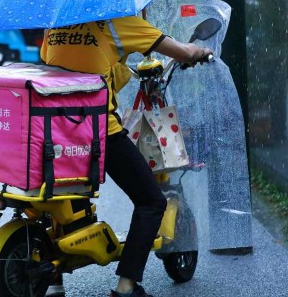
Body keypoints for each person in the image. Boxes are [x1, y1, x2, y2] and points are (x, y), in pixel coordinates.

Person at [40, 15, 212, 297]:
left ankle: (53, 278)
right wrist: (199, 52)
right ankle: (126, 285)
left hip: (54, 128)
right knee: (151, 200)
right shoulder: (116, 22)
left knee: (59, 194)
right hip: (98, 129)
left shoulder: (55, 23)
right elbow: (181, 51)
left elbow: (58, 64)